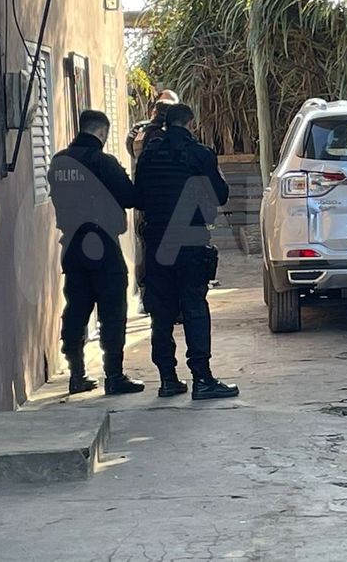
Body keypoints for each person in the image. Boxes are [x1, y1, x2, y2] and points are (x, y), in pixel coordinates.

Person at [135, 103, 238, 400]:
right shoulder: (199, 154)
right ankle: (202, 379)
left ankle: (167, 379)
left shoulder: (149, 154)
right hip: (190, 238)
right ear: (191, 124)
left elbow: (139, 198)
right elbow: (220, 196)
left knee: (161, 311)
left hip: (157, 241)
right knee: (194, 307)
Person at [49, 110, 144, 396]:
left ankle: (76, 374)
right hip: (103, 244)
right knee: (112, 310)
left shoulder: (59, 163)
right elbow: (131, 197)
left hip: (72, 245)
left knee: (76, 309)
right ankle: (113, 376)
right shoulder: (104, 162)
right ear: (102, 132)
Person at [127, 89, 179, 313]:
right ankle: (149, 295)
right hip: (156, 205)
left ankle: (162, 300)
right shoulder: (145, 132)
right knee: (149, 250)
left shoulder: (151, 133)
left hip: (162, 205)